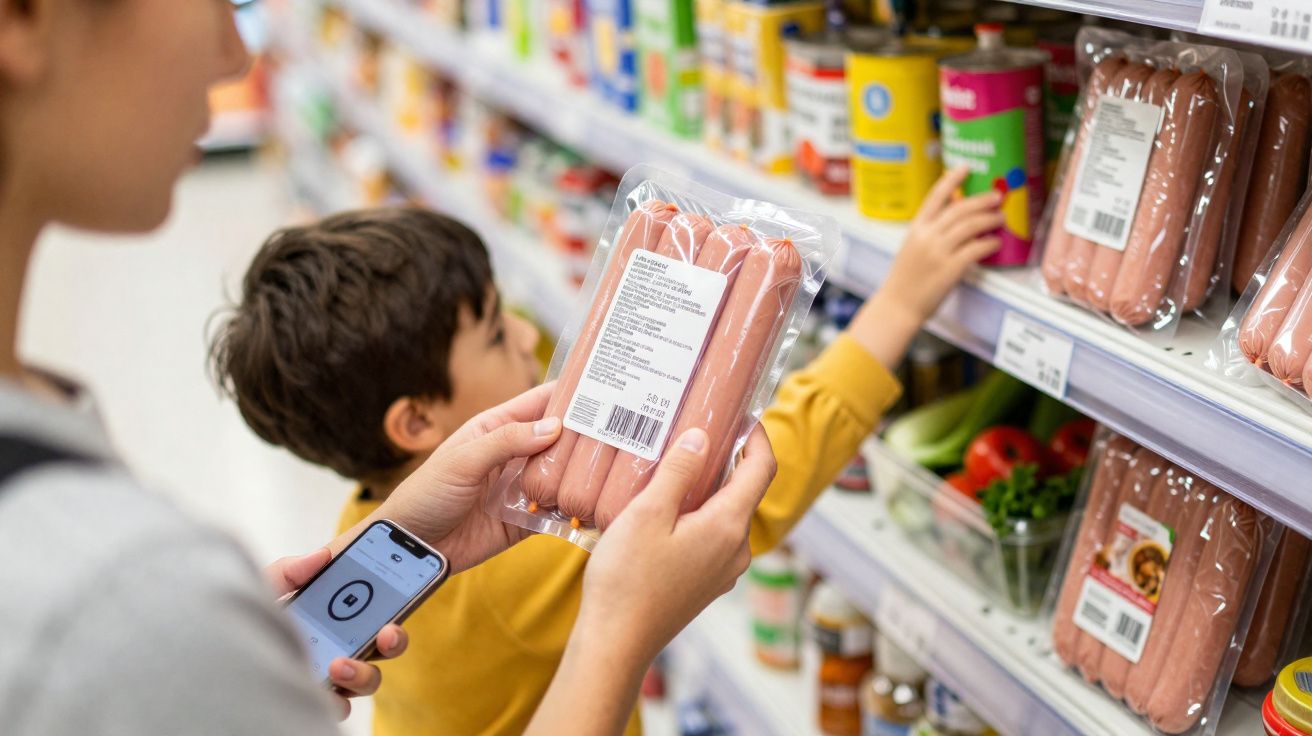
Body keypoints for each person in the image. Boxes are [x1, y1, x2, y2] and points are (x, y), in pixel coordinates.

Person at [0, 1, 775, 734]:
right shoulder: (107, 591)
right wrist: (620, 629)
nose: (236, 51)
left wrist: (298, 627)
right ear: (22, 15)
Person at [210, 166, 1002, 734]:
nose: (527, 333)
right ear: (415, 424)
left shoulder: (384, 529)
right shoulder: (520, 562)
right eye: (493, 330)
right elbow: (744, 489)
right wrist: (898, 306)